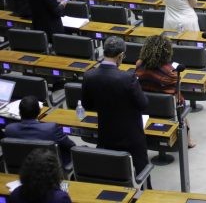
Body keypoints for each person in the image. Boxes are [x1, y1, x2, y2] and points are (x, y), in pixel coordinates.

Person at [82, 36, 150, 183]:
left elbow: (87, 105)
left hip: (106, 133)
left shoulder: (89, 76)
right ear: (120, 56)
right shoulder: (128, 78)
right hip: (131, 137)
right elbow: (143, 104)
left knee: (111, 173)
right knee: (142, 175)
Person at [135, 35, 195, 148]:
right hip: (169, 110)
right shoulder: (171, 73)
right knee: (181, 104)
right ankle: (188, 141)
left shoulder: (139, 66)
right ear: (167, 52)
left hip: (145, 107)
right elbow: (177, 87)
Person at [5, 95, 76, 167]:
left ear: (20, 113)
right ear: (39, 111)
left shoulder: (9, 129)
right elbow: (71, 146)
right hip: (50, 169)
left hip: (22, 168)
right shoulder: (51, 128)